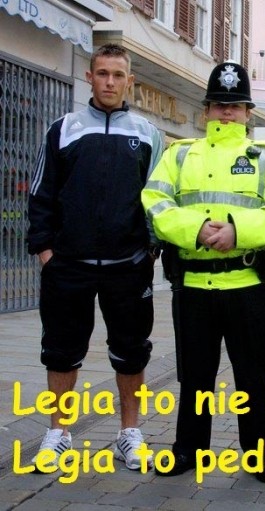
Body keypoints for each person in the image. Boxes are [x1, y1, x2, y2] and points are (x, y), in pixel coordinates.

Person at [141, 61, 265, 481]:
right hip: (194, 285)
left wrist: (237, 231)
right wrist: (194, 229)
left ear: (248, 113)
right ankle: (188, 451)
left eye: (235, 106)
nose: (227, 112)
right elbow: (155, 203)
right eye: (219, 104)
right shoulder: (179, 154)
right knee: (195, 377)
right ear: (206, 109)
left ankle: (262, 456)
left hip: (248, 285)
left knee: (254, 377)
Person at [27, 43, 163, 472]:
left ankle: (129, 434)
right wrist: (46, 251)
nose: (109, 82)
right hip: (69, 266)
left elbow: (159, 198)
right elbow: (40, 193)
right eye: (102, 73)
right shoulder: (64, 128)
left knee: (131, 352)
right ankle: (59, 433)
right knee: (60, 352)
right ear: (89, 77)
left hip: (129, 266)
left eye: (118, 75)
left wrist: (150, 250)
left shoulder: (148, 133)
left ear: (130, 81)